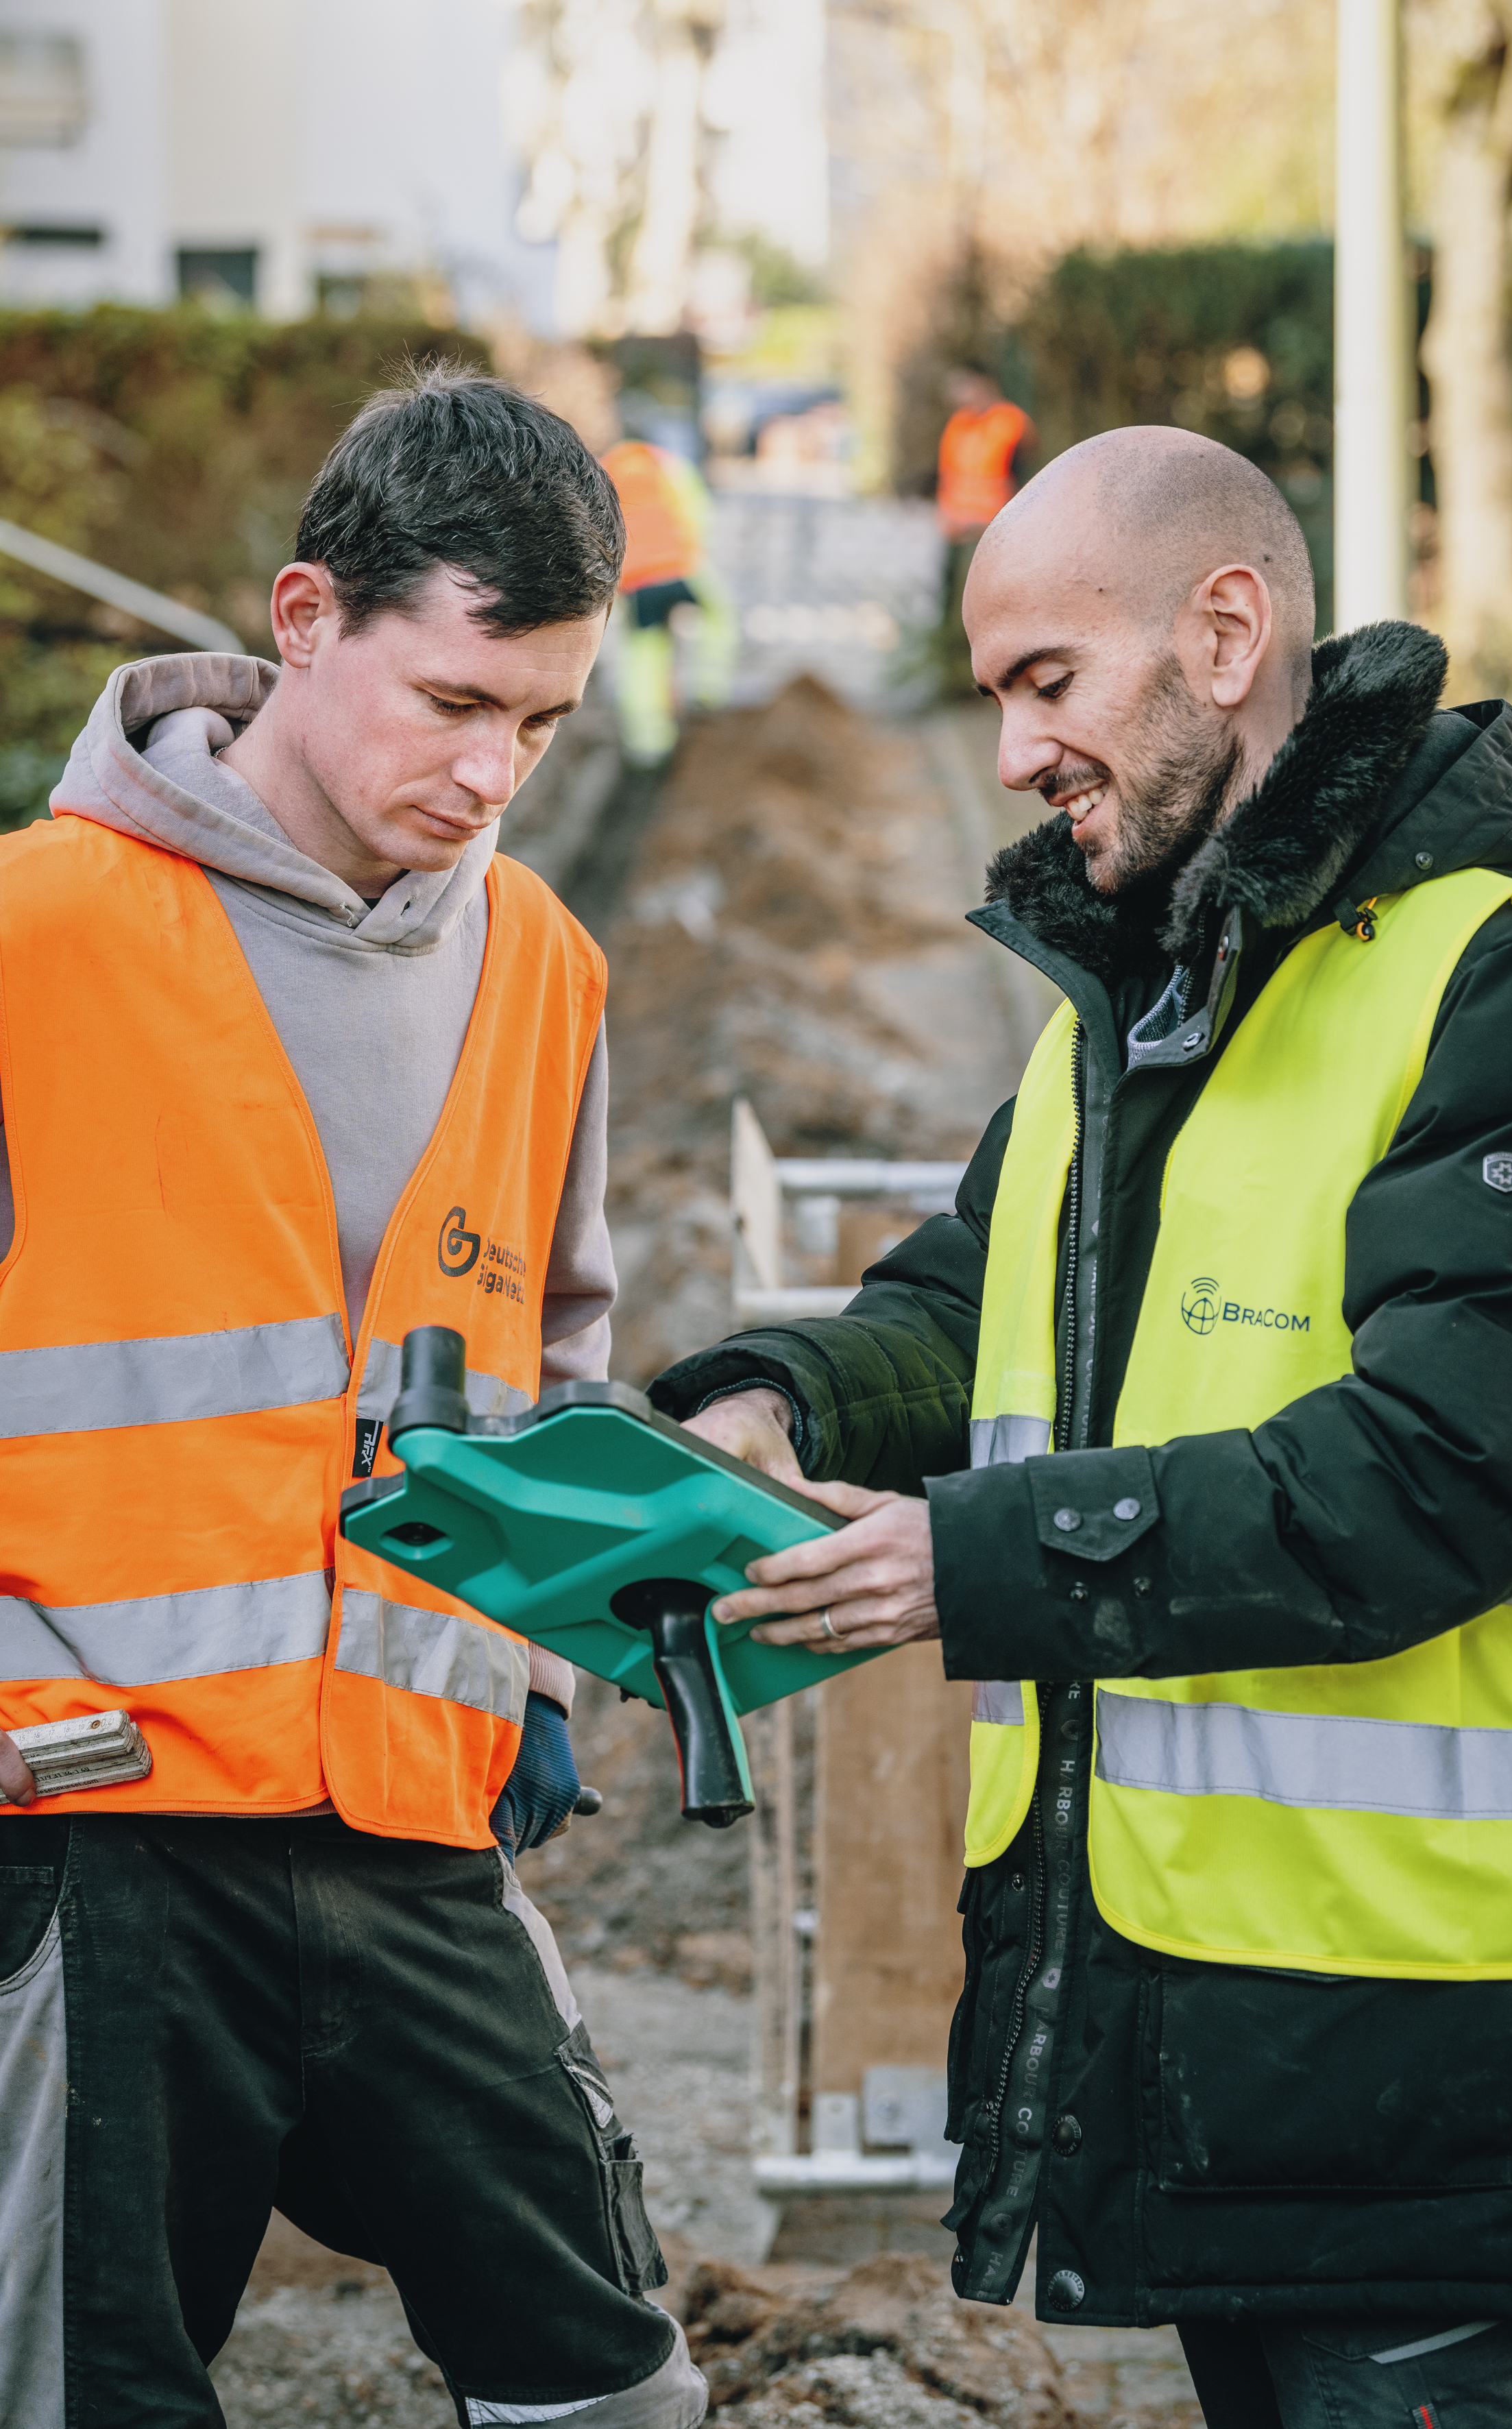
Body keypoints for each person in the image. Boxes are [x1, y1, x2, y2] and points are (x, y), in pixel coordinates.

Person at [653, 425, 1512, 2428]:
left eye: (1043, 680)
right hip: (1216, 2075)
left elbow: (1448, 1472)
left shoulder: (1504, 977)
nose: (1009, 753)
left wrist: (973, 1558)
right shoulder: (1143, 989)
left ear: (1226, 630)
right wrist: (776, 1396)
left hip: (1433, 2093)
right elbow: (975, 1295)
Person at [0, 367, 708, 2429]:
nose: (495, 769)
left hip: (410, 1809)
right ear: (306, 621)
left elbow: (546, 1367)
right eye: (454, 702)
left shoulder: (542, 963)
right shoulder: (38, 936)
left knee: (608, 2382)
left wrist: (538, 1688)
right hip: (94, 1815)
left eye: (543, 722)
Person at [600, 431, 735, 766]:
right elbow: (697, 515)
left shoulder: (604, 471)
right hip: (680, 568)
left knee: (645, 656)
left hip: (636, 581)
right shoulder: (668, 466)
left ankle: (648, 742)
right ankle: (708, 692)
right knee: (721, 620)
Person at [934, 363, 1037, 690]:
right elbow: (950, 475)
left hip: (990, 533)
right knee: (952, 607)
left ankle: (982, 678)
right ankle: (952, 678)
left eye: (965, 386)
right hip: (956, 532)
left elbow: (1025, 480)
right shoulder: (960, 424)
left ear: (985, 383)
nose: (960, 395)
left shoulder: (1011, 424)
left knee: (985, 610)